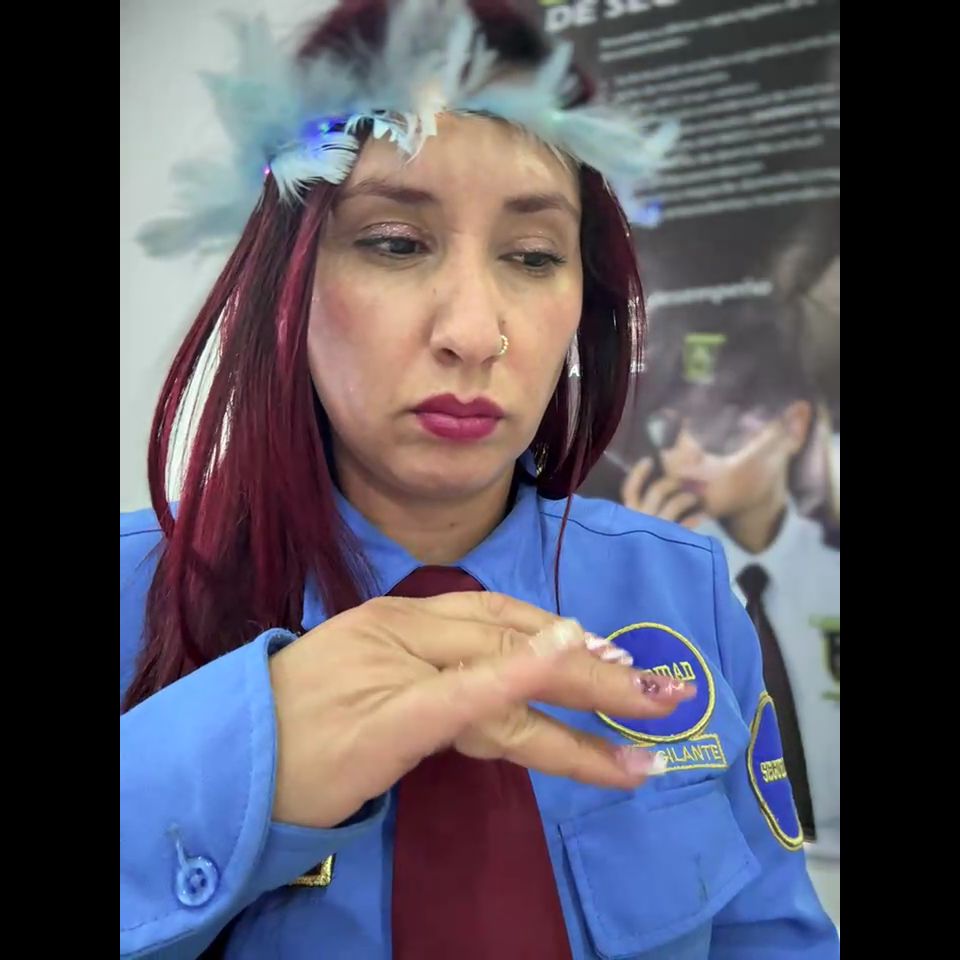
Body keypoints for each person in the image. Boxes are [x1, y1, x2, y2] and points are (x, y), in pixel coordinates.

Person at [120, 1, 840, 956]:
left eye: (534, 257)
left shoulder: (684, 589)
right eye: (394, 241)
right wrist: (220, 770)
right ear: (288, 284)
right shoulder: (136, 593)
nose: (473, 332)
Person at [618, 309, 840, 858]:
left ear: (793, 426)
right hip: (717, 859)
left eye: (718, 425)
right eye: (669, 428)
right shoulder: (643, 577)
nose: (686, 453)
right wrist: (648, 575)